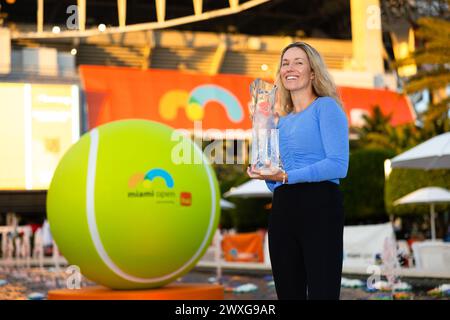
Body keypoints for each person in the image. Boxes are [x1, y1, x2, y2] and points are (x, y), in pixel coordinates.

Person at [247, 42, 349, 300]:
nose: (290, 68)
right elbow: (276, 180)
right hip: (283, 210)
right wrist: (265, 171)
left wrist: (285, 176)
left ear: (313, 72)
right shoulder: (280, 122)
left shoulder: (326, 107)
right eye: (285, 63)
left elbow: (338, 164)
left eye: (298, 62)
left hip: (320, 207)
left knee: (322, 293)